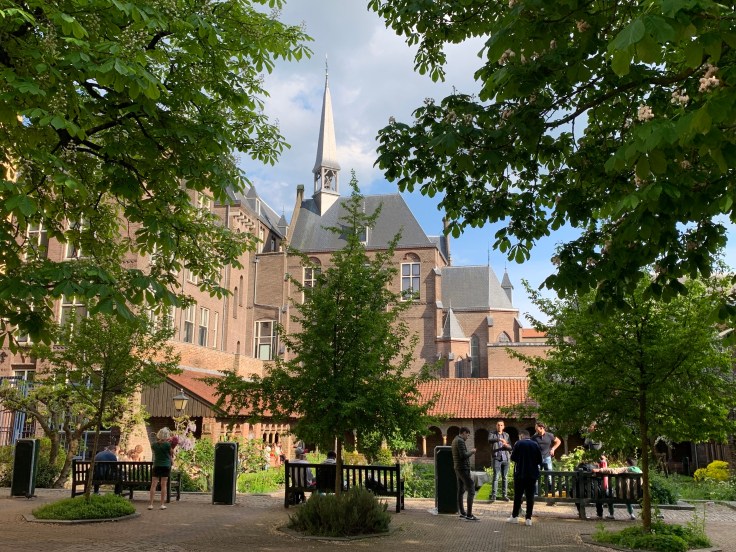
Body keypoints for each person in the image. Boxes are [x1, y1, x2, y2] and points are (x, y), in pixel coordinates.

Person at [507, 430, 543, 526]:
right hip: (532, 474)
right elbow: (540, 460)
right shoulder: (535, 444)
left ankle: (515, 517)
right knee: (530, 496)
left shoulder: (518, 443)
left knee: (518, 496)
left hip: (520, 473)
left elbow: (513, 458)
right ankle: (528, 518)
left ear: (521, 436)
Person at [451, 427, 478, 521]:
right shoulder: (460, 441)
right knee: (471, 488)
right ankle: (469, 514)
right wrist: (472, 452)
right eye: (467, 435)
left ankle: (462, 512)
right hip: (463, 468)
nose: (467, 437)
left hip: (458, 468)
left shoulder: (455, 440)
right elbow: (463, 456)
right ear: (463, 433)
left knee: (461, 490)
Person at [532, 422, 561, 494]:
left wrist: (553, 449)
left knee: (549, 475)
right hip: (537, 458)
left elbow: (558, 441)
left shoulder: (549, 435)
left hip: (547, 457)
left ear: (541, 428)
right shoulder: (534, 437)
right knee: (536, 475)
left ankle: (549, 492)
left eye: (536, 428)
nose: (535, 429)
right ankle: (536, 493)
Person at [149, 427, 173, 510]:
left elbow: (156, 452)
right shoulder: (168, 445)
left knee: (153, 485)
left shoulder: (154, 445)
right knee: (163, 485)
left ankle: (151, 504)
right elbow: (171, 453)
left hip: (156, 465)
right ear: (167, 435)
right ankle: (162, 504)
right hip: (165, 465)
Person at [488, 420, 512, 501]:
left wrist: (506, 445)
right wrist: (500, 439)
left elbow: (510, 447)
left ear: (503, 426)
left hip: (505, 458)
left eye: (501, 425)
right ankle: (494, 495)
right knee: (496, 477)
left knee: (505, 477)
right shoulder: (492, 434)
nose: (500, 426)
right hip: (497, 458)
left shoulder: (507, 435)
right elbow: (490, 440)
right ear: (496, 426)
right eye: (498, 425)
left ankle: (504, 495)